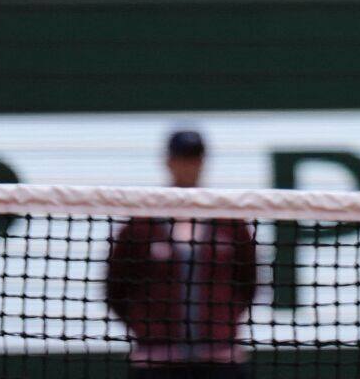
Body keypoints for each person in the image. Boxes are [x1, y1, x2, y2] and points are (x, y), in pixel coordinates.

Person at [105, 130, 256, 378]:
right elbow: (117, 288)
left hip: (219, 360)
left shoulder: (230, 223)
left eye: (194, 158)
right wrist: (147, 328)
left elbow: (247, 283)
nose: (188, 166)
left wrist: (221, 325)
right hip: (156, 361)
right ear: (168, 161)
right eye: (182, 158)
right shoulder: (140, 226)